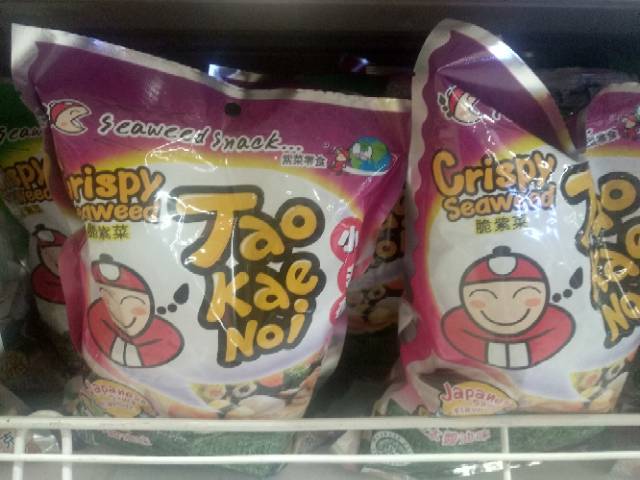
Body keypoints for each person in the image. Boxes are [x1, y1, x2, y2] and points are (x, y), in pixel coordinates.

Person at [442, 246, 574, 369]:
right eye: (483, 299)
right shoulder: (459, 322)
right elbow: (452, 329)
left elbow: (563, 328)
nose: (505, 310)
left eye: (525, 295)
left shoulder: (554, 320)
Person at [88, 254, 183, 368]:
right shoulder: (99, 313)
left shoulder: (162, 331)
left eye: (131, 304)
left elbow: (170, 346)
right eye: (109, 301)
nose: (122, 312)